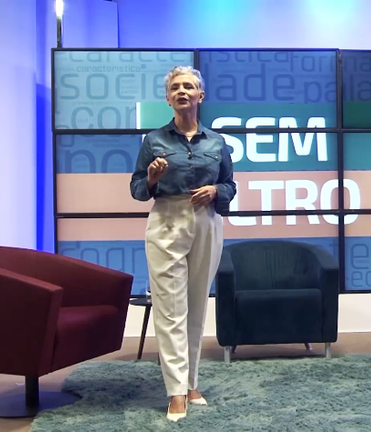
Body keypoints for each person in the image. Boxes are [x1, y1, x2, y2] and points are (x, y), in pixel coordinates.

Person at [130, 66, 236, 421]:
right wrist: (151, 178)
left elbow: (230, 185)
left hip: (206, 221)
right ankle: (175, 391)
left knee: (196, 304)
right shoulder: (153, 141)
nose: (182, 91)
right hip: (167, 219)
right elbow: (137, 189)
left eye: (188, 86)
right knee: (170, 308)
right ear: (168, 98)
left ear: (200, 95)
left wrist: (216, 190)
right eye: (175, 87)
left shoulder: (216, 142)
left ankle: (191, 383)